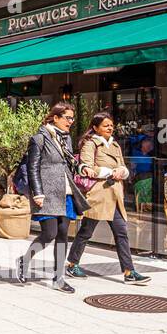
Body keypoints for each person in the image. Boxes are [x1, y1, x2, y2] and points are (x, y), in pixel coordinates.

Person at [66, 112, 152, 285]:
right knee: (86, 232)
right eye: (106, 125)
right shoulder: (90, 144)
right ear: (96, 127)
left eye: (111, 125)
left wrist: (123, 171)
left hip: (115, 195)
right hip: (99, 194)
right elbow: (86, 166)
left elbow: (123, 165)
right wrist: (109, 172)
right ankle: (72, 264)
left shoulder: (115, 145)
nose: (110, 128)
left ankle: (129, 272)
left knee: (121, 232)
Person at [18, 102, 88, 292]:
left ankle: (59, 278)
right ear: (55, 118)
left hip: (64, 191)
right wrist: (37, 192)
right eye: (68, 118)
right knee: (49, 233)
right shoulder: (39, 138)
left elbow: (70, 163)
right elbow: (32, 167)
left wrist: (82, 168)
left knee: (64, 233)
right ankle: (24, 261)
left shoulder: (66, 139)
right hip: (46, 192)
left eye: (72, 118)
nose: (71, 122)